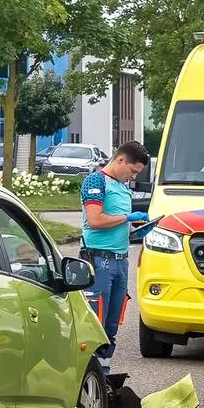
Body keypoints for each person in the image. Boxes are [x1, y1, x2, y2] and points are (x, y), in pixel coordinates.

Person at [79, 141, 151, 376]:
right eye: (132, 171)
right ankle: (90, 374)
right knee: (96, 323)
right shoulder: (96, 181)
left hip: (121, 260)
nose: (133, 176)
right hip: (100, 260)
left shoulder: (123, 187)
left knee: (112, 323)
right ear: (121, 160)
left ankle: (105, 375)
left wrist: (137, 230)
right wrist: (127, 216)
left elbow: (119, 224)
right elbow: (95, 221)